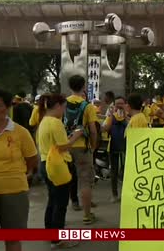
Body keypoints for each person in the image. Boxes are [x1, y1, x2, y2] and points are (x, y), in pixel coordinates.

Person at [0, 87, 38, 251]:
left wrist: (23, 173)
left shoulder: (20, 132)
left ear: (7, 107)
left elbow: (31, 158)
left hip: (15, 190)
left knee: (13, 238)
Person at [36, 94, 83, 249]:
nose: (64, 111)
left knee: (52, 200)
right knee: (60, 203)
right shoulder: (55, 123)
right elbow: (63, 146)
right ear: (57, 106)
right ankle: (58, 239)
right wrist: (75, 136)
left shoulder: (43, 121)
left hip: (45, 163)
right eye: (64, 107)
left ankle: (50, 233)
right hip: (58, 165)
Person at [65, 75, 98, 225]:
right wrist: (93, 145)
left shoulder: (62, 104)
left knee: (63, 182)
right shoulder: (88, 106)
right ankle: (86, 215)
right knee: (85, 181)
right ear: (84, 86)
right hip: (82, 148)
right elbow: (93, 130)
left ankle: (60, 216)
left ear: (70, 86)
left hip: (65, 146)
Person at [103, 96, 129, 202]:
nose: (119, 105)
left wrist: (126, 117)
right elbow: (106, 128)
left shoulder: (129, 116)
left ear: (125, 104)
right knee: (113, 172)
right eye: (117, 103)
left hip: (126, 146)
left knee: (126, 172)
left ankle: (126, 194)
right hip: (113, 146)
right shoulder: (110, 116)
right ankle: (114, 194)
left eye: (121, 103)